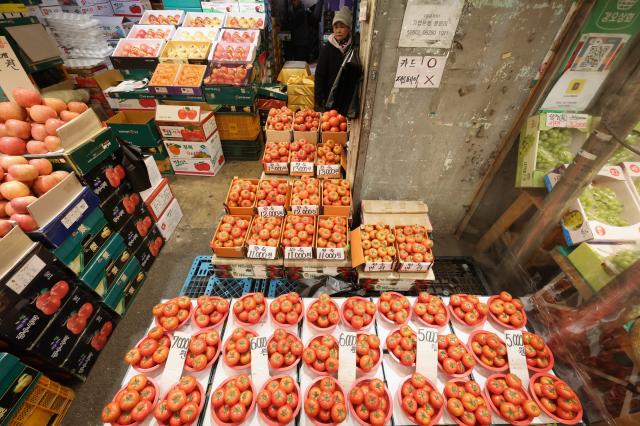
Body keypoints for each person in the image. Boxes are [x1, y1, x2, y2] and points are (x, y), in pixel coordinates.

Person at [314, 6, 352, 112]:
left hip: (347, 98)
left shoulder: (353, 48)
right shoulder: (327, 48)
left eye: (342, 27)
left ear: (349, 28)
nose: (338, 30)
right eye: (336, 27)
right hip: (329, 97)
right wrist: (318, 100)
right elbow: (319, 75)